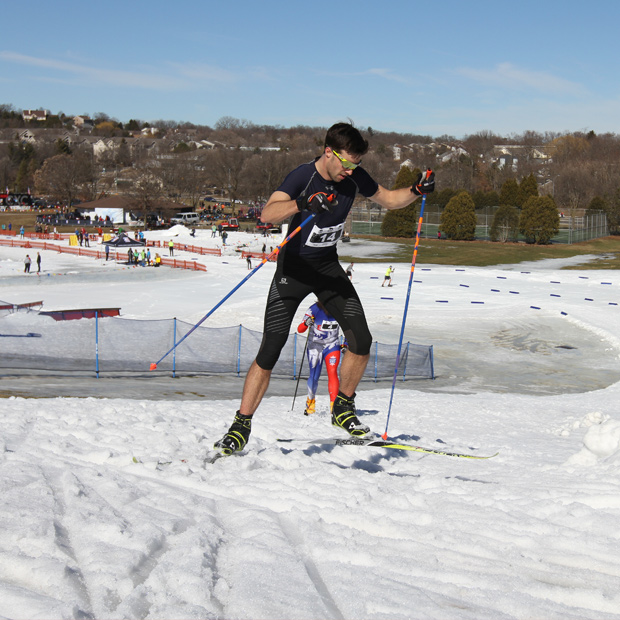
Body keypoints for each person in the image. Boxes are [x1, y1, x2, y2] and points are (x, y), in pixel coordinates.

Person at [214, 122, 434, 456]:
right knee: (271, 349)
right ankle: (240, 426)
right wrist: (301, 203)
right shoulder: (303, 176)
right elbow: (268, 213)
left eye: (356, 165)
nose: (350, 171)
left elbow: (389, 199)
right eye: (346, 163)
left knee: (361, 340)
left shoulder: (353, 176)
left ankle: (343, 407)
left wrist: (416, 190)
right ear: (328, 152)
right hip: (293, 270)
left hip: (327, 268)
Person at [297, 301, 342, 416]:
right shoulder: (314, 309)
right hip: (315, 346)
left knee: (332, 372)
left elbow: (350, 328)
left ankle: (334, 407)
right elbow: (300, 329)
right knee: (314, 376)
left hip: (332, 345)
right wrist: (306, 323)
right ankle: (310, 404)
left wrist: (346, 343)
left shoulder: (340, 307)